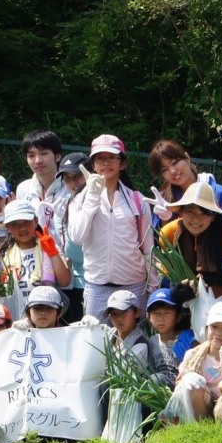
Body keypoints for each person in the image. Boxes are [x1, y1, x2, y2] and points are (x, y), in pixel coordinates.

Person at [68, 134, 155, 321]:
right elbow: (77, 236)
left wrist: (153, 285)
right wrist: (92, 196)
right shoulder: (80, 199)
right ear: (93, 164)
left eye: (111, 157)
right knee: (97, 343)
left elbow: (148, 246)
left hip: (133, 285)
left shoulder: (137, 200)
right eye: (100, 158)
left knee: (132, 345)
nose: (105, 163)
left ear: (122, 163)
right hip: (96, 286)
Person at [160, 181, 222, 308]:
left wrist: (204, 285)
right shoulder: (168, 234)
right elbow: (169, 273)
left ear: (213, 216)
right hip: (185, 299)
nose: (196, 219)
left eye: (204, 213)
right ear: (181, 212)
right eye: (190, 211)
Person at [0, 199, 71, 305]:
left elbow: (64, 281)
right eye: (15, 224)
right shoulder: (4, 253)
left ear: (36, 221)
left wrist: (53, 253)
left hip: (44, 310)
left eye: (26, 222)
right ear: (8, 227)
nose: (22, 228)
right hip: (15, 312)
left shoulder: (48, 247)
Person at [176, 301, 222, 422]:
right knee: (194, 387)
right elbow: (178, 381)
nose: (218, 333)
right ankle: (202, 430)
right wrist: (186, 381)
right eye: (214, 326)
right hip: (200, 405)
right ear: (207, 328)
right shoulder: (193, 355)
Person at [146, 138, 222, 221]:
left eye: (175, 162)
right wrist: (164, 218)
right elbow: (160, 235)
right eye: (164, 170)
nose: (172, 171)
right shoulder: (164, 199)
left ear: (187, 158)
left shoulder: (218, 193)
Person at [53, 152, 88, 322]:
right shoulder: (61, 207)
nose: (73, 183)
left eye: (78, 176)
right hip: (72, 284)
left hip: (96, 282)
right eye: (67, 178)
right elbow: (64, 248)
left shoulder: (102, 203)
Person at [145, 288, 194, 388]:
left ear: (179, 316)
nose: (161, 318)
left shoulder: (188, 339)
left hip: (182, 388)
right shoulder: (150, 343)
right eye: (156, 313)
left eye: (167, 313)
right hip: (158, 392)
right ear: (149, 317)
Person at [15, 130, 67, 205]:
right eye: (31, 155)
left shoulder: (69, 188)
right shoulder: (23, 189)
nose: (38, 161)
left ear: (57, 156)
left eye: (44, 153)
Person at [105, 289, 148, 365]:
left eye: (124, 312)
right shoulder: (107, 334)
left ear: (137, 312)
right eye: (114, 313)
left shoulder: (140, 345)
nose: (119, 318)